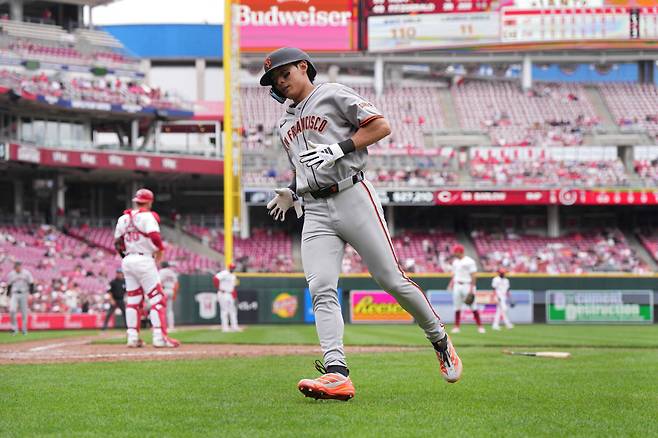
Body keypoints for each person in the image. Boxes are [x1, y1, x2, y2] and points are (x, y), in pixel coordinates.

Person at [260, 47, 461, 401]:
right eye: (274, 79)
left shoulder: (332, 94)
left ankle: (439, 338)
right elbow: (305, 168)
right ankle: (337, 372)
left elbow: (381, 125)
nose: (280, 82)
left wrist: (340, 148)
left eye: (284, 74)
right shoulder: (283, 122)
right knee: (321, 285)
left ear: (303, 66)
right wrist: (292, 191)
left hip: (352, 194)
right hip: (315, 208)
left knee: (390, 279)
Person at [113, 188, 179, 348]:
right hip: (144, 259)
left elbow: (117, 243)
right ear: (150, 201)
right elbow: (155, 236)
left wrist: (126, 257)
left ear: (136, 201)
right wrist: (161, 250)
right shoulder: (148, 216)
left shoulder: (123, 218)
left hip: (128, 259)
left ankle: (132, 337)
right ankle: (159, 337)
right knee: (157, 298)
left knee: (134, 300)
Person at [448, 244, 485, 334]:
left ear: (460, 251)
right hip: (457, 284)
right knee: (457, 307)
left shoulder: (469, 261)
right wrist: (451, 284)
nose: (454, 253)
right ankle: (456, 327)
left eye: (455, 251)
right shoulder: (455, 262)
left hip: (467, 285)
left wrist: (472, 288)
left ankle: (480, 326)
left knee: (473, 306)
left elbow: (473, 275)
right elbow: (454, 274)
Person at [6, 261, 33, 335]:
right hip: (14, 294)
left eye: (19, 266)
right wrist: (8, 296)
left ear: (21, 266)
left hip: (24, 294)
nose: (18, 268)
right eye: (16, 266)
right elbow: (9, 285)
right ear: (15, 267)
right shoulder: (11, 274)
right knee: (12, 310)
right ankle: (14, 329)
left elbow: (31, 283)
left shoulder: (26, 273)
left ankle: (24, 330)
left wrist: (31, 294)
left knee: (24, 312)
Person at [213, 263, 240, 333]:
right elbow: (215, 278)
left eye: (233, 268)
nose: (232, 269)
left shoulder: (233, 276)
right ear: (229, 268)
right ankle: (225, 327)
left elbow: (233, 288)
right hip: (223, 293)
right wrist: (218, 288)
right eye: (231, 268)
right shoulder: (224, 273)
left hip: (230, 294)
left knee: (233, 311)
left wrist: (235, 297)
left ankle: (234, 326)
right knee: (224, 311)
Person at [158, 261, 179, 331]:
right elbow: (176, 283)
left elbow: (159, 282)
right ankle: (171, 326)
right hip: (171, 290)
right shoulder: (172, 272)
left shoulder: (161, 271)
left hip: (164, 290)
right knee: (169, 310)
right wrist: (175, 293)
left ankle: (162, 326)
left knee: (161, 308)